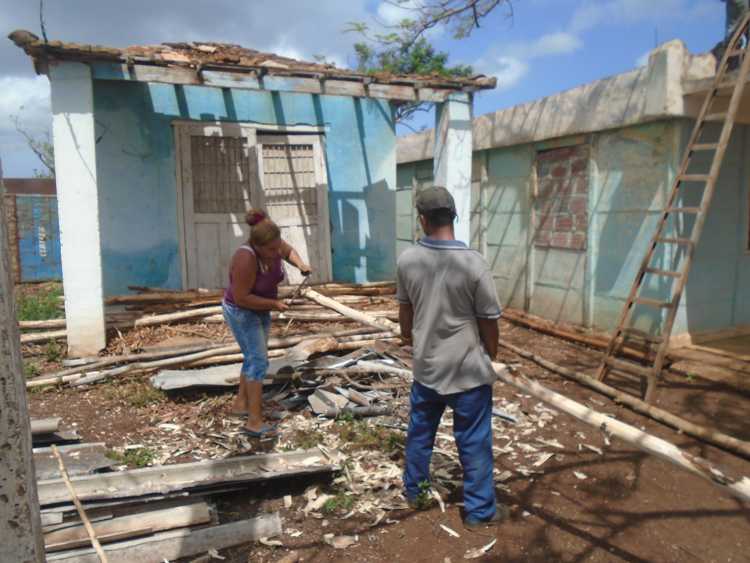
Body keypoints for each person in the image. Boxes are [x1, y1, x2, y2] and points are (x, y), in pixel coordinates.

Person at [396, 186, 508, 529]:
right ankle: (478, 512)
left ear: (422, 220)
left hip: (427, 370)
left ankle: (414, 491)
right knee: (474, 442)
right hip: (467, 373)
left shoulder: (408, 260)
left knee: (419, 434)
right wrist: (491, 354)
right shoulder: (473, 263)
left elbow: (405, 317)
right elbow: (489, 321)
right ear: (454, 217)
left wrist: (410, 339)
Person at [223, 209, 311, 437]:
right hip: (242, 311)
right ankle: (254, 421)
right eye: (271, 250)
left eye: (277, 247)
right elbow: (242, 297)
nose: (276, 253)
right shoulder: (246, 258)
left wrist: (300, 264)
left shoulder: (274, 245)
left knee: (252, 357)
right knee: (259, 362)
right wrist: (274, 304)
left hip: (260, 308)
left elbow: (288, 251)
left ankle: (240, 405)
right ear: (258, 246)